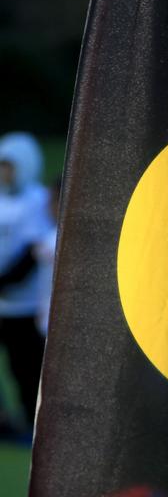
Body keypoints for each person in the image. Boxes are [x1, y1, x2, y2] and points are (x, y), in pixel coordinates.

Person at [0, 131, 54, 436]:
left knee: (25, 370)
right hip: (2, 303)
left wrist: (5, 281)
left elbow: (32, 253)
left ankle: (33, 427)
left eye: (9, 166)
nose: (4, 172)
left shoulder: (36, 201)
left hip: (26, 305)